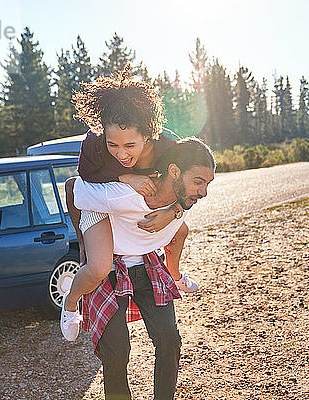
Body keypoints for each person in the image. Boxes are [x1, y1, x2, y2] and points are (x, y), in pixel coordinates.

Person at [68, 137, 215, 400]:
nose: (204, 192)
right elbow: (72, 188)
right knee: (116, 351)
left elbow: (180, 229)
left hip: (148, 266)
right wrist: (84, 244)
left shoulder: (182, 197)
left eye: (207, 183)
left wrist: (176, 211)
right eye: (198, 182)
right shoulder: (125, 193)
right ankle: (70, 304)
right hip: (111, 270)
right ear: (174, 172)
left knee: (169, 341)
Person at [61, 65, 198, 333]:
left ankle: (174, 275)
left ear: (148, 136)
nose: (121, 154)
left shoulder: (170, 147)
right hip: (102, 204)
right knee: (98, 266)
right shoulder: (94, 143)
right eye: (114, 145)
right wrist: (126, 177)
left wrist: (175, 211)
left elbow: (194, 180)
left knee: (181, 231)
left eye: (129, 146)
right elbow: (79, 188)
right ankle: (69, 304)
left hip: (134, 204)